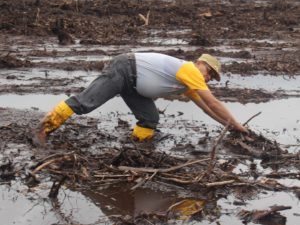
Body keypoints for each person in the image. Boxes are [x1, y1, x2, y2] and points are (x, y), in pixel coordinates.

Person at [34, 52, 248, 145]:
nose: (208, 77)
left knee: (150, 118)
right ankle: (43, 130)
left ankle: (137, 145)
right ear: (200, 63)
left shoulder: (189, 85)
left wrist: (229, 126)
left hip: (135, 85)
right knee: (85, 103)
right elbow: (213, 102)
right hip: (124, 69)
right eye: (209, 72)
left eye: (211, 77)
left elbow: (206, 109)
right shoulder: (190, 70)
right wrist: (237, 124)